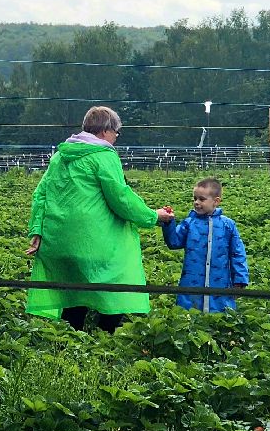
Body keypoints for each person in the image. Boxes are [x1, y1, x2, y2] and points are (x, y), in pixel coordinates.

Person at [25, 106, 175, 331]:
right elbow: (121, 199)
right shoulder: (104, 156)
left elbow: (40, 195)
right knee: (114, 281)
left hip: (58, 242)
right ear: (105, 130)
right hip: (92, 243)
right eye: (116, 132)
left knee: (73, 292)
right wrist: (154, 216)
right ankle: (107, 338)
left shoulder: (60, 157)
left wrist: (36, 230)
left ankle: (71, 342)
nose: (116, 137)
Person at [162, 177, 249, 313]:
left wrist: (239, 279)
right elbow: (174, 242)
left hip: (220, 282)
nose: (196, 202)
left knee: (220, 317)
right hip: (192, 282)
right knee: (189, 315)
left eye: (201, 199)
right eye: (195, 198)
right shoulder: (189, 223)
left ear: (216, 201)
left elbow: (237, 253)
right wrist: (168, 223)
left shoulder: (227, 225)